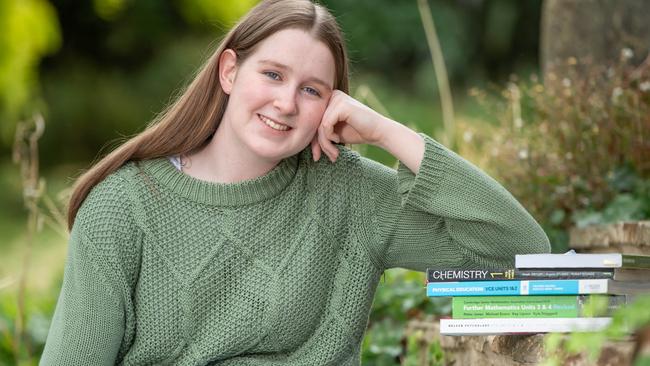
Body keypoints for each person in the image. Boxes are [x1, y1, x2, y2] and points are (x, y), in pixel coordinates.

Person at [40, 0, 550, 364]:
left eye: (312, 90)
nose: (286, 103)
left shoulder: (349, 194)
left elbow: (520, 250)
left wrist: (386, 132)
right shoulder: (123, 207)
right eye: (273, 75)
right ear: (229, 72)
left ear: (332, 107)